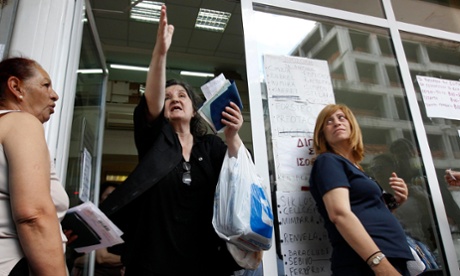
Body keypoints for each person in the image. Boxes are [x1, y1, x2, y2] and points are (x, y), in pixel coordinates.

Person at [100, 5, 243, 276]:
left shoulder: (210, 146)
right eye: (168, 97)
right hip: (151, 263)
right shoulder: (156, 140)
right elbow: (151, 102)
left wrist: (233, 136)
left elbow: (238, 173)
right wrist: (160, 52)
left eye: (182, 95)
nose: (174, 99)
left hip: (204, 264)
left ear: (194, 108)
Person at [309, 103, 412, 275]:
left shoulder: (357, 168)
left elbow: (367, 211)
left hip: (387, 257)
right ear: (322, 135)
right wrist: (379, 264)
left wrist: (396, 202)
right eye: (328, 121)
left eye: (341, 118)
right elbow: (339, 214)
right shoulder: (328, 161)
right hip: (366, 262)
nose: (336, 123)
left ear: (352, 125)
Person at [0, 57, 69, 275]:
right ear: (15, 87)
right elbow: (33, 215)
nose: (55, 94)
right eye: (45, 84)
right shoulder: (22, 123)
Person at [71, 181, 123, 276]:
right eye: (109, 195)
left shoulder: (120, 222)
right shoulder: (94, 219)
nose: (113, 199)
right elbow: (101, 258)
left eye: (116, 195)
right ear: (99, 199)